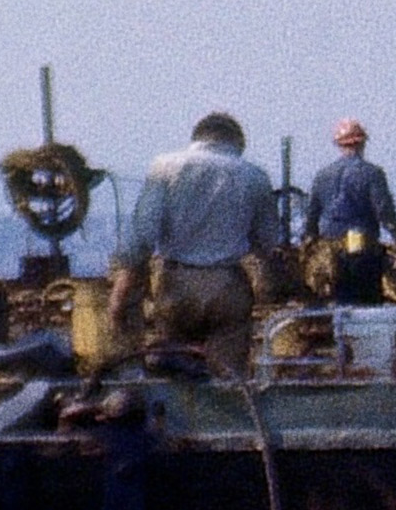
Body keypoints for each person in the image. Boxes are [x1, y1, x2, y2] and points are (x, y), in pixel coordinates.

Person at [109, 111, 280, 377]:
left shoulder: (165, 167)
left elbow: (142, 234)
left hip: (177, 285)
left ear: (197, 137)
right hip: (227, 284)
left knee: (175, 370)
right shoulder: (255, 176)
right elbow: (267, 241)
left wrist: (122, 290)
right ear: (237, 142)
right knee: (228, 378)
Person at [304, 118, 396, 304]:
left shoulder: (322, 175)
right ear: (362, 144)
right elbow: (385, 214)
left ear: (339, 145)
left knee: (337, 304)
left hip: (330, 253)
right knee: (366, 305)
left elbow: (311, 218)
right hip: (361, 252)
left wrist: (309, 250)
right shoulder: (372, 173)